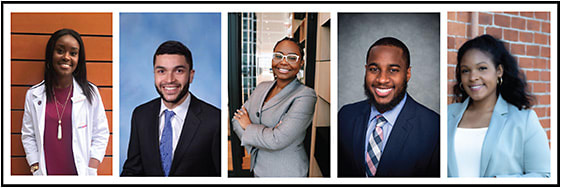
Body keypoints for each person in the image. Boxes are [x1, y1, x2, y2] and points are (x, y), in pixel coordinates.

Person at [448, 34, 550, 178]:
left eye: (482, 68)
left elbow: (544, 176)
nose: (472, 77)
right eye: (466, 70)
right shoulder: (446, 116)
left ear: (499, 71)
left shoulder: (523, 120)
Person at [338, 37, 439, 177]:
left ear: (407, 73)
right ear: (366, 70)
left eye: (393, 70)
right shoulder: (345, 116)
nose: (382, 79)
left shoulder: (434, 128)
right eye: (374, 69)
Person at [121, 40, 220, 176]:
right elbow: (132, 171)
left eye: (178, 71)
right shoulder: (141, 115)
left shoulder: (214, 120)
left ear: (191, 75)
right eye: (161, 71)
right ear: (154, 74)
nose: (169, 79)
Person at [21, 28, 110, 176]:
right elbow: (28, 135)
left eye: (73, 53)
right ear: (50, 54)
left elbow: (101, 133)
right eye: (60, 51)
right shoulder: (33, 95)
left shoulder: (91, 93)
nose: (66, 57)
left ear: (79, 59)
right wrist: (35, 167)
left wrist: (91, 167)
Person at [232, 37, 317, 177]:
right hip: (258, 168)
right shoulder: (261, 87)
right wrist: (266, 136)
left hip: (286, 173)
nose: (283, 62)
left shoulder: (306, 96)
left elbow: (277, 140)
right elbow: (236, 120)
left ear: (301, 63)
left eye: (292, 58)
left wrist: (248, 126)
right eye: (278, 56)